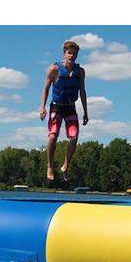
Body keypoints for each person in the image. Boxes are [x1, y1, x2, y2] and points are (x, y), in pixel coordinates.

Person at [40, 40, 89, 181]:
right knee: (53, 136)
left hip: (70, 107)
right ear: (64, 53)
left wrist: (86, 112)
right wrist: (42, 107)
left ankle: (65, 165)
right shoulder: (54, 69)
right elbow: (46, 88)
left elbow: (82, 91)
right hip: (56, 106)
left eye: (74, 54)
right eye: (69, 53)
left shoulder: (80, 72)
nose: (72, 56)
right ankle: (50, 165)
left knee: (73, 138)